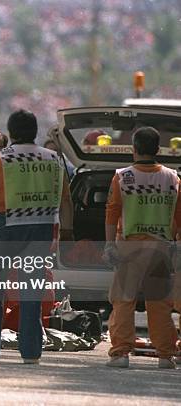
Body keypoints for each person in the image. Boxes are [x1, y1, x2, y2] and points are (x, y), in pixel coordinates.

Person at [0, 109, 73, 364]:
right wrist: (67, 231)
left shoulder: (2, 157)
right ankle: (31, 353)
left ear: (11, 132)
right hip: (42, 228)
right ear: (35, 131)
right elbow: (66, 200)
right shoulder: (54, 158)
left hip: (5, 227)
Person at [103, 126, 181, 369]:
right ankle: (166, 356)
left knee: (123, 301)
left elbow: (112, 213)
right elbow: (179, 217)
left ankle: (121, 354)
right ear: (158, 150)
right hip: (161, 248)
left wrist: (108, 245)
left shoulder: (122, 176)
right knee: (159, 303)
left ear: (133, 149)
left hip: (130, 247)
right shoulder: (172, 178)